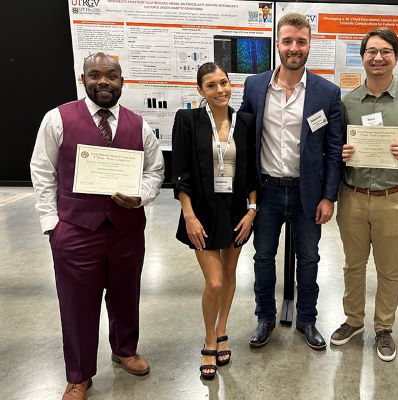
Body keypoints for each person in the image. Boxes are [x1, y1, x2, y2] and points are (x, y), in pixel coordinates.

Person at [30, 52, 164, 400]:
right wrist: (52, 225)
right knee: (77, 304)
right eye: (95, 75)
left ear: (122, 80)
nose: (103, 81)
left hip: (127, 230)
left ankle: (124, 350)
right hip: (75, 230)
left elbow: (155, 171)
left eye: (111, 75)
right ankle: (78, 375)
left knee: (126, 295)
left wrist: (142, 196)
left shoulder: (139, 125)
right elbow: (43, 172)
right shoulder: (58, 119)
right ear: (83, 79)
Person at [239, 12, 344, 351]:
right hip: (267, 191)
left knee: (309, 259)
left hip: (307, 195)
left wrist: (329, 197)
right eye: (287, 41)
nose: (294, 48)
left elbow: (333, 148)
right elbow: (242, 137)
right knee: (263, 257)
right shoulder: (255, 87)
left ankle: (307, 320)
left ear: (309, 44)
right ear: (278, 45)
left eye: (301, 41)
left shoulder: (326, 93)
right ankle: (265, 317)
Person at [329, 28, 398, 362]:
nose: (378, 57)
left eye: (385, 51)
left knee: (389, 268)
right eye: (371, 51)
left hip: (395, 197)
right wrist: (341, 153)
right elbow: (331, 146)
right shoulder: (346, 102)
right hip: (353, 195)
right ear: (362, 57)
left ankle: (384, 328)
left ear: (396, 57)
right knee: (353, 265)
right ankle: (354, 320)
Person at [171, 62, 257, 380]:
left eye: (224, 82)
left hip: (236, 212)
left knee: (231, 275)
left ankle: (222, 330)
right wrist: (188, 215)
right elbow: (180, 172)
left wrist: (252, 211)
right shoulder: (188, 120)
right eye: (211, 85)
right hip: (202, 214)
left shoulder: (244, 122)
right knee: (215, 281)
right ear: (200, 91)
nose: (220, 90)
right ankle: (209, 339)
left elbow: (251, 173)